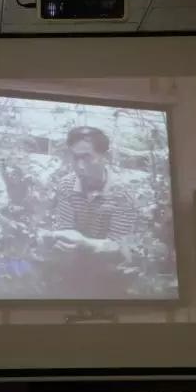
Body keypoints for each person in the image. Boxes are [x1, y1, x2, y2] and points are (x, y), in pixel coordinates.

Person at [42, 126, 138, 296]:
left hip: (110, 272)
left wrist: (86, 244)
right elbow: (66, 229)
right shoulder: (66, 185)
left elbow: (120, 245)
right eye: (75, 158)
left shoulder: (123, 193)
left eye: (87, 158)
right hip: (72, 265)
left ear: (105, 157)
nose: (80, 166)